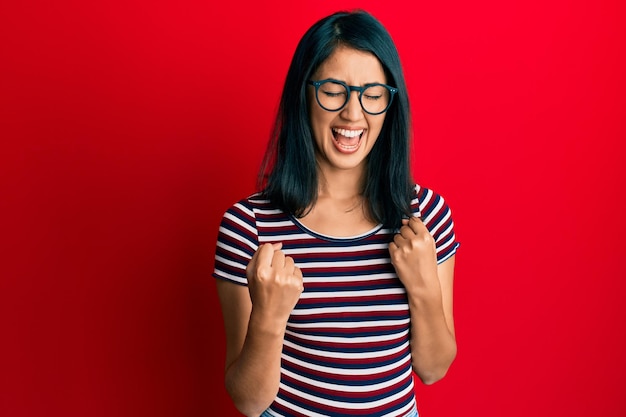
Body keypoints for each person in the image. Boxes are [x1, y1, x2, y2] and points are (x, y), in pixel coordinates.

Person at [213, 9, 460, 417]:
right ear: (304, 94)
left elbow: (433, 369)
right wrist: (270, 320)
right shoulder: (248, 226)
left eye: (373, 94)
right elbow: (248, 401)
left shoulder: (426, 216)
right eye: (333, 90)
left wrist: (423, 289)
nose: (353, 113)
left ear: (390, 102)